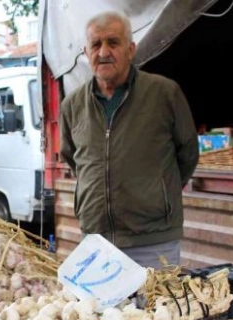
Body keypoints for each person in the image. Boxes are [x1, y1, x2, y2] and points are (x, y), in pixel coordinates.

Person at [59, 11, 199, 268]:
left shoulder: (164, 93)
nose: (103, 52)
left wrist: (157, 193)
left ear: (131, 49)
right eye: (96, 44)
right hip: (97, 241)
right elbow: (72, 157)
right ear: (85, 51)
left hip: (153, 241)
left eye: (113, 42)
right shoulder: (72, 105)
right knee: (99, 310)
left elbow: (188, 153)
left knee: (158, 309)